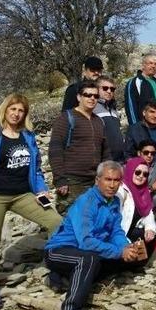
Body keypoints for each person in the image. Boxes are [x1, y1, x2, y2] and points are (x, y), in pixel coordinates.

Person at [0, 93, 63, 310]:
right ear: (5, 110)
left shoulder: (27, 136)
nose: (17, 114)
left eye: (21, 110)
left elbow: (36, 168)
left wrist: (41, 190)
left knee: (56, 222)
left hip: (22, 194)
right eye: (13, 109)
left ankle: (56, 268)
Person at [45, 161, 144, 310]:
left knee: (127, 259)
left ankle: (60, 278)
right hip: (60, 250)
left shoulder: (113, 202)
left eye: (116, 180)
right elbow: (87, 242)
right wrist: (119, 252)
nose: (112, 185)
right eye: (108, 179)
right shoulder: (87, 202)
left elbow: (116, 232)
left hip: (84, 252)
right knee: (89, 260)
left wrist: (125, 248)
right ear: (97, 180)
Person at [49, 81, 111, 214]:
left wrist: (107, 175)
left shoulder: (99, 121)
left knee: (93, 221)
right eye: (87, 95)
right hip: (72, 182)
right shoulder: (66, 118)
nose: (92, 98)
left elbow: (105, 152)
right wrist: (60, 180)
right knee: (69, 225)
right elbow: (55, 150)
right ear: (79, 97)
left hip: (94, 182)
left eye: (95, 96)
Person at [117, 158, 156, 244]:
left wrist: (150, 229)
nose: (141, 176)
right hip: (119, 234)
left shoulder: (144, 192)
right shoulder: (120, 191)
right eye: (138, 172)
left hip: (131, 230)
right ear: (130, 171)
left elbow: (148, 214)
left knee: (154, 233)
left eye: (145, 174)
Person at [124, 100, 156, 165]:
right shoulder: (134, 130)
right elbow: (128, 154)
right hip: (142, 167)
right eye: (151, 112)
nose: (155, 116)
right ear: (144, 113)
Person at [124, 54, 156, 126]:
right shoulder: (135, 82)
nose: (153, 66)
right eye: (150, 63)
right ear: (143, 65)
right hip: (145, 128)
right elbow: (131, 107)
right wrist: (136, 129)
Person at [93, 76, 125, 162]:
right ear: (96, 89)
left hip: (119, 159)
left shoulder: (114, 111)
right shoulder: (92, 109)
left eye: (112, 89)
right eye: (105, 88)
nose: (109, 91)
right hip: (103, 160)